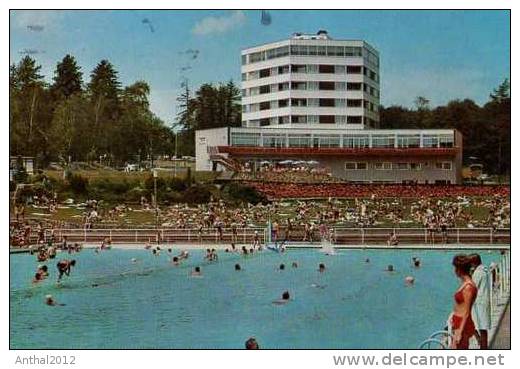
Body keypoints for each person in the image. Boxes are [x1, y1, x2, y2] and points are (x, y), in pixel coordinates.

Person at [450, 254, 478, 349]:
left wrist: (459, 332)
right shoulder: (466, 284)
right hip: (458, 321)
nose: (454, 271)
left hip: (462, 323)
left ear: (459, 269)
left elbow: (466, 312)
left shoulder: (468, 287)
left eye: (455, 268)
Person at [469, 253, 490, 349]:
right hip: (483, 301)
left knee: (473, 324)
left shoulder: (478, 273)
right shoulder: (485, 270)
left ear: (474, 263)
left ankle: (482, 345)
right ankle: (483, 346)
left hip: (479, 304)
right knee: (483, 328)